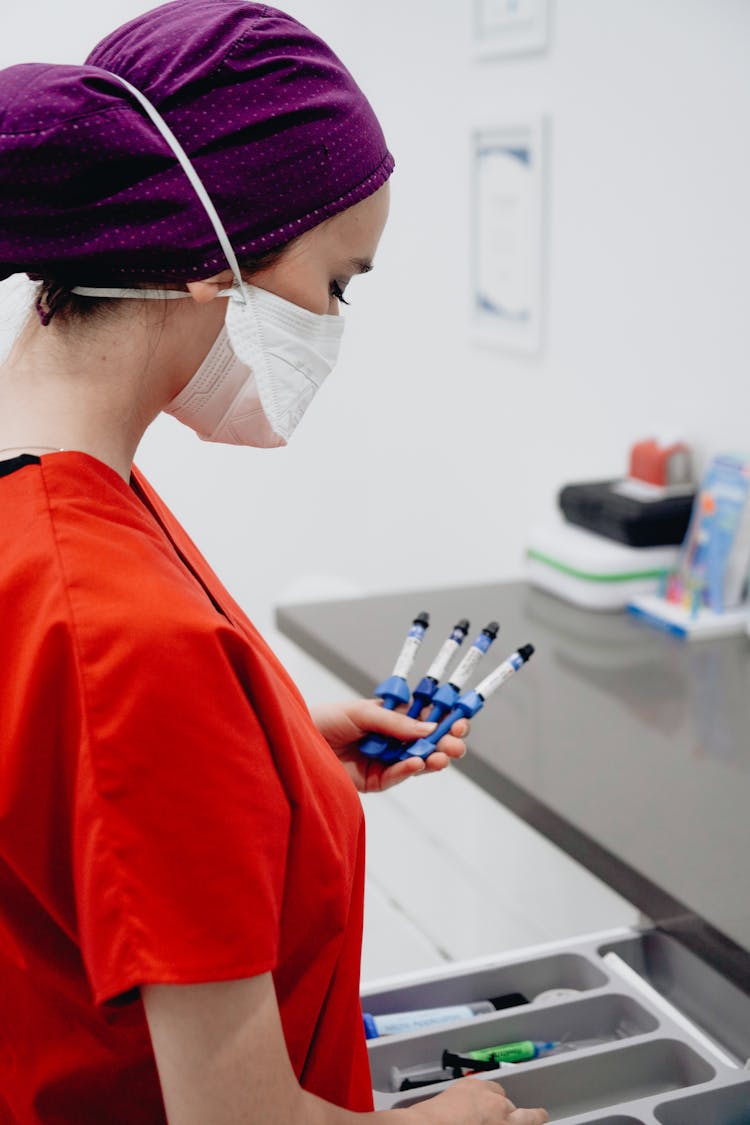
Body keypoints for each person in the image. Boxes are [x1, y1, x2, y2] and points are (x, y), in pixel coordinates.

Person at [0, 3, 548, 1123]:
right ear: (211, 259)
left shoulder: (46, 498)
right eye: (339, 285)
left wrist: (267, 770)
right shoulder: (126, 632)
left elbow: (64, 816)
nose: (337, 323)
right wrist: (462, 1119)